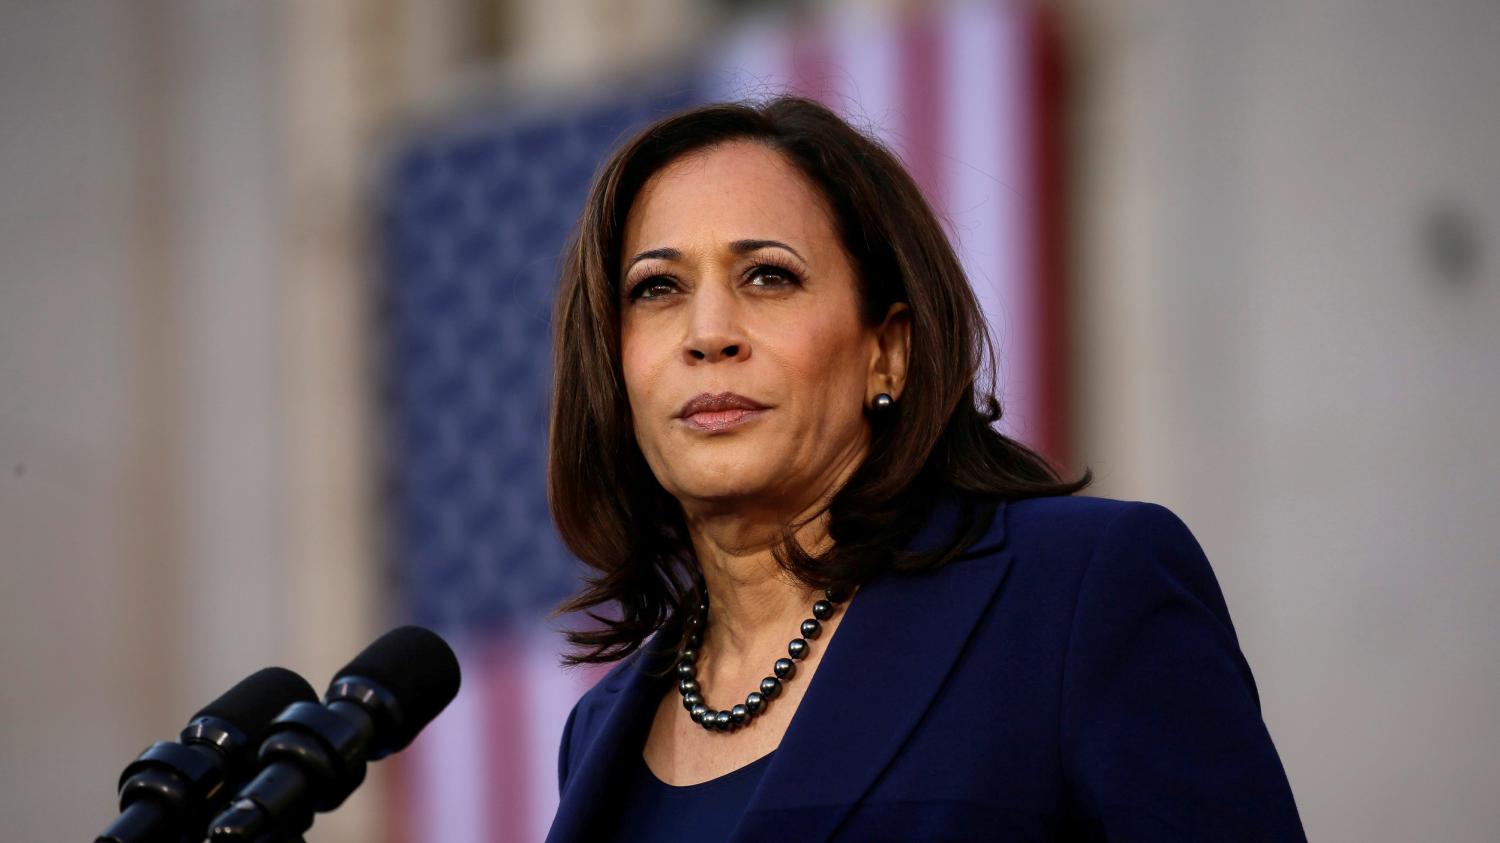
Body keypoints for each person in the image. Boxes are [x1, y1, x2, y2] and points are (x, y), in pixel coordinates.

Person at [541, 96, 1305, 842]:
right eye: (656, 288)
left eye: (768, 276)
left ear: (889, 350)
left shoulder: (1079, 593)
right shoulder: (598, 729)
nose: (708, 335)